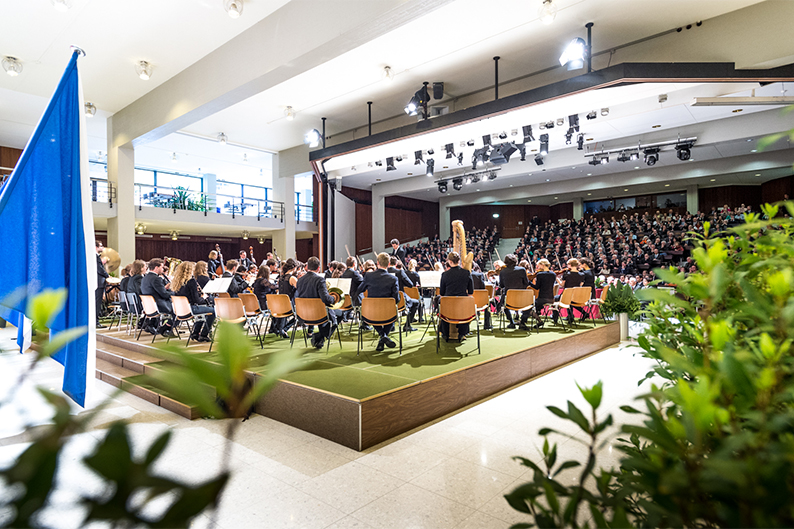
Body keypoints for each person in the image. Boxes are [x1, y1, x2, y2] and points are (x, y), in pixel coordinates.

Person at [355, 252, 400, 352]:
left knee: (373, 314)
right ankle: (383, 336)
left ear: (377, 263)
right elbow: (396, 299)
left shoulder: (368, 276)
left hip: (371, 314)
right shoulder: (393, 279)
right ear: (388, 264)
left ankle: (382, 336)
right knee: (392, 315)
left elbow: (359, 290)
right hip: (388, 313)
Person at [295, 256, 340, 349]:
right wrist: (334, 298)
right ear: (318, 268)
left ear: (307, 267)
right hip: (318, 314)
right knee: (340, 314)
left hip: (303, 315)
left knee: (326, 314)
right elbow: (325, 299)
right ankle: (319, 336)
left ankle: (320, 339)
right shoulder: (319, 280)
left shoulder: (300, 280)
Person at [170, 261, 215, 342]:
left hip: (180, 310)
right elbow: (196, 301)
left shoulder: (177, 282)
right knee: (213, 311)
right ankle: (203, 334)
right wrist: (204, 297)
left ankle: (195, 333)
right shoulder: (191, 281)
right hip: (190, 309)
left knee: (203, 310)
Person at [438, 251, 474, 340]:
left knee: (443, 305)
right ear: (459, 261)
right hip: (462, 306)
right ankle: (462, 333)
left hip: (448, 307)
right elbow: (471, 291)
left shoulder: (445, 274)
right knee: (465, 305)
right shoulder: (466, 273)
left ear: (449, 262)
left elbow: (442, 293)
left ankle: (445, 333)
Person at [140, 258, 175, 336]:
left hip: (149, 306)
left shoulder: (145, 278)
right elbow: (164, 294)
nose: (162, 269)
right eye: (161, 267)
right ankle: (166, 329)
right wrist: (173, 293)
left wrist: (165, 289)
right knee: (179, 309)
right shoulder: (156, 279)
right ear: (156, 267)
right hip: (159, 305)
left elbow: (156, 291)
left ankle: (164, 328)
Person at [498, 253, 530, 330]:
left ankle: (511, 322)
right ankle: (522, 322)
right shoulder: (522, 270)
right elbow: (526, 283)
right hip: (522, 298)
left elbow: (501, 285)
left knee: (503, 303)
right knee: (530, 304)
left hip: (509, 300)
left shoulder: (502, 272)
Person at [387, 257, 418, 332]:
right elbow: (410, 284)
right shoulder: (400, 272)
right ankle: (407, 325)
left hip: (386, 299)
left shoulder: (384, 272)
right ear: (396, 263)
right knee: (416, 302)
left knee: (392, 306)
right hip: (399, 299)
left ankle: (391, 325)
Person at [528, 259, 557, 328]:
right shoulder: (553, 274)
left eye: (539, 265)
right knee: (537, 305)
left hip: (542, 299)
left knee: (528, 307)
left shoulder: (540, 274)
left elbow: (537, 287)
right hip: (551, 299)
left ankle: (539, 321)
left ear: (543, 265)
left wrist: (529, 282)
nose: (538, 267)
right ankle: (554, 318)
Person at [470, 262, 492, 330]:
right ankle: (487, 325)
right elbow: (482, 288)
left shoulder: (462, 275)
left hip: (466, 301)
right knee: (488, 302)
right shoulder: (479, 275)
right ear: (474, 267)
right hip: (479, 301)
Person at [95, 242, 110, 329]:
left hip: (98, 282)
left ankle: (95, 321)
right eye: (101, 246)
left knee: (97, 302)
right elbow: (99, 269)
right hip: (98, 283)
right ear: (96, 247)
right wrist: (108, 276)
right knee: (97, 303)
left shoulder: (96, 257)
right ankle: (95, 322)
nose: (103, 247)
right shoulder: (95, 256)